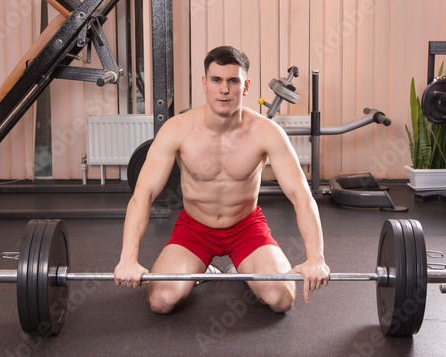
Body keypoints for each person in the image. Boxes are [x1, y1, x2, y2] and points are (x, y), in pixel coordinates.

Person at [114, 46, 330, 314]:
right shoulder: (177, 129)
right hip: (194, 230)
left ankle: (241, 266)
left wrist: (316, 258)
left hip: (246, 228)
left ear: (246, 85)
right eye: (216, 80)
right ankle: (202, 269)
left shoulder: (267, 133)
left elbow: (301, 196)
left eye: (233, 81)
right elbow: (142, 196)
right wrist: (128, 259)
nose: (224, 89)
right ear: (205, 84)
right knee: (161, 301)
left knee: (282, 299)